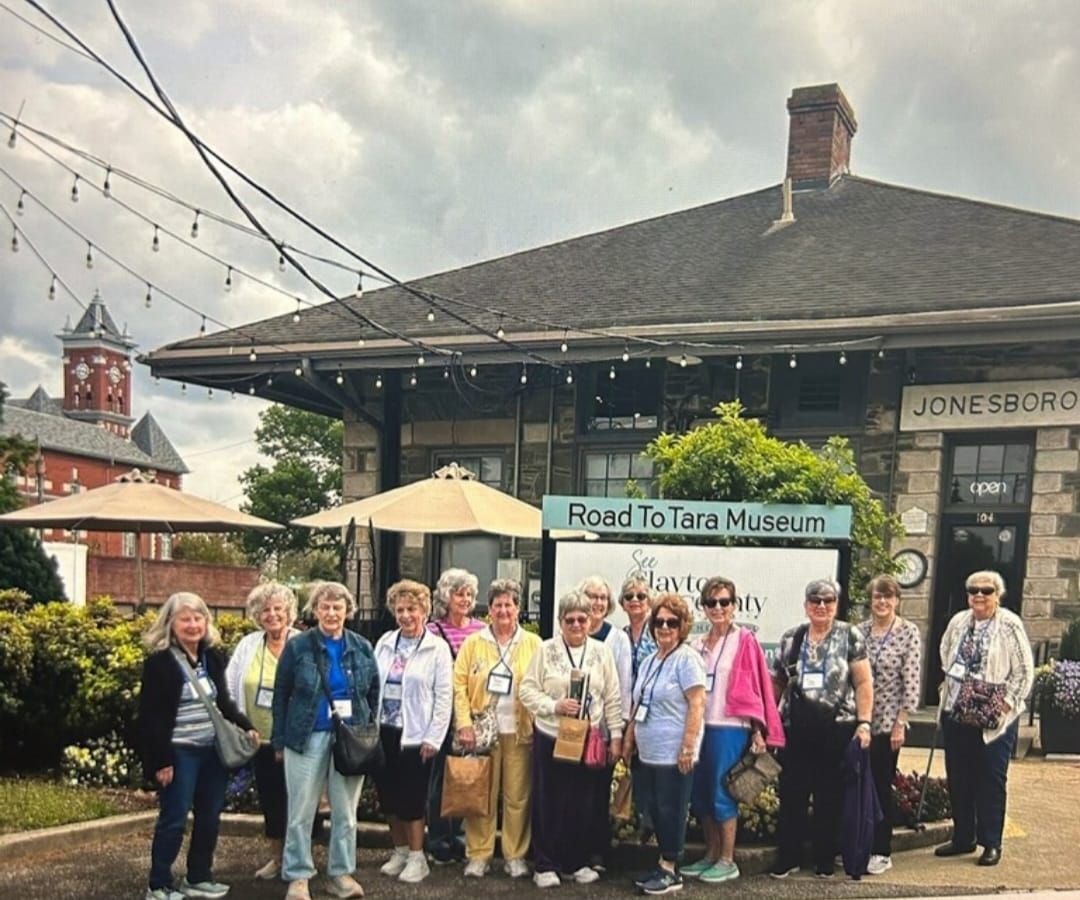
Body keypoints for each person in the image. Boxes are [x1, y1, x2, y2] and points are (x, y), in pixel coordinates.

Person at [139, 591, 257, 900]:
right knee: (174, 818)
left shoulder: (211, 657)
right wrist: (159, 762)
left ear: (206, 621)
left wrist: (246, 726)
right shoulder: (160, 663)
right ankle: (159, 884)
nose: (193, 625)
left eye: (198, 617)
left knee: (209, 815)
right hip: (179, 752)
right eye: (185, 619)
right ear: (171, 624)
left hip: (211, 752)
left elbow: (223, 703)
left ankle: (199, 877)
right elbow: (150, 717)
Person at [272, 582, 379, 900]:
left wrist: (362, 726)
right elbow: (281, 694)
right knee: (301, 810)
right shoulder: (298, 647)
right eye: (325, 607)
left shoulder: (361, 646)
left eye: (338, 607)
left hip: (349, 738)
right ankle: (298, 875)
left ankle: (340, 873)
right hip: (305, 737)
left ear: (348, 611)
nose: (331, 613)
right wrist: (279, 740)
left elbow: (372, 690)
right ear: (315, 610)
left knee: (345, 812)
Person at [519, 589, 624, 888]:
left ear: (591, 620)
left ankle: (575, 862)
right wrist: (554, 706)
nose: (577, 625)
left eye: (582, 619)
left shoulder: (601, 652)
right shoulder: (545, 650)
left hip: (587, 737)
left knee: (583, 801)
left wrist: (615, 735)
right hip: (552, 734)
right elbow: (527, 689)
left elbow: (612, 696)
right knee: (548, 800)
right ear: (560, 622)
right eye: (570, 620)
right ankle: (545, 864)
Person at [684, 576, 785, 884]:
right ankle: (711, 854)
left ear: (734, 605)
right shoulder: (696, 644)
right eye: (711, 603)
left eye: (724, 602)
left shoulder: (745, 640)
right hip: (700, 727)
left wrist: (758, 730)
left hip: (730, 727)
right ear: (703, 607)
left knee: (722, 792)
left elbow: (757, 687)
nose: (718, 608)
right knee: (700, 794)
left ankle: (728, 859)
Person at [770, 578, 873, 879]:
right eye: (815, 601)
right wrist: (769, 723)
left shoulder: (850, 635)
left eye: (828, 601)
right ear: (806, 605)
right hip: (797, 727)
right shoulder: (792, 638)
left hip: (837, 726)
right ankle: (787, 858)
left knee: (830, 795)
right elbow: (777, 681)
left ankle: (824, 860)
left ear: (836, 605)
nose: (822, 606)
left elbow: (863, 682)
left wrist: (864, 723)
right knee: (792, 794)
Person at [935, 570, 1034, 867]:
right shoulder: (959, 622)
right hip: (959, 710)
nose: (979, 595)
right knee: (960, 776)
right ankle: (963, 837)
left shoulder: (1009, 625)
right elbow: (944, 653)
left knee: (991, 778)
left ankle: (991, 842)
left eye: (986, 590)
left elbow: (1024, 670)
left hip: (994, 717)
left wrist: (1006, 703)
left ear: (997, 594)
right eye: (973, 589)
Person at [453, 578, 542, 878]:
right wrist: (463, 723)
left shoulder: (533, 643)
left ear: (518, 608)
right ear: (489, 609)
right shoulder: (474, 642)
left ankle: (514, 855)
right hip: (482, 731)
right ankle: (479, 855)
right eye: (498, 604)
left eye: (509, 604)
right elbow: (458, 685)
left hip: (520, 731)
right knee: (482, 795)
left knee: (517, 796)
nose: (503, 610)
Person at [622, 593, 706, 895]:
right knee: (653, 809)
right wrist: (629, 738)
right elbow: (637, 703)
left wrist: (687, 746)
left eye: (672, 622)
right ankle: (662, 861)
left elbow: (697, 704)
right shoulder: (649, 661)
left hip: (673, 754)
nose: (665, 627)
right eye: (659, 622)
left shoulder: (687, 659)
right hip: (648, 754)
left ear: (683, 625)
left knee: (671, 809)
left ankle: (671, 868)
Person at [374, 579, 454, 884]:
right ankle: (401, 851)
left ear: (425, 610)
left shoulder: (438, 648)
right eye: (400, 609)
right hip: (385, 730)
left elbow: (444, 696)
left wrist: (434, 737)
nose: (406, 615)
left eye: (412, 609)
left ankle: (419, 857)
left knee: (412, 797)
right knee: (388, 796)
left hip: (416, 734)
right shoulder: (384, 642)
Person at [224, 582, 302, 881]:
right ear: (258, 615)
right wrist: (238, 725)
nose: (272, 615)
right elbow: (231, 686)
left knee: (299, 802)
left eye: (278, 609)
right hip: (259, 739)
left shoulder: (302, 642)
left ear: (289, 612)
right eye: (265, 610)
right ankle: (277, 858)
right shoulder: (248, 644)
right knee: (271, 800)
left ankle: (299, 862)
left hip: (296, 740)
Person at [856, 574, 922, 875]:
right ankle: (857, 843)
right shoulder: (859, 632)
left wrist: (901, 723)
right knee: (856, 785)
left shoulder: (908, 633)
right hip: (858, 720)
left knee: (880, 785)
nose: (882, 602)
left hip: (887, 723)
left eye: (888, 596)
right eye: (876, 597)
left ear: (897, 600)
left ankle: (881, 850)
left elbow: (911, 681)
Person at [425, 567, 486, 864]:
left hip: (472, 714)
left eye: (469, 594)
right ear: (445, 597)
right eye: (458, 593)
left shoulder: (480, 630)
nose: (464, 599)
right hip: (441, 713)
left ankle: (459, 838)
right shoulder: (433, 630)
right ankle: (437, 838)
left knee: (466, 777)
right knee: (440, 778)